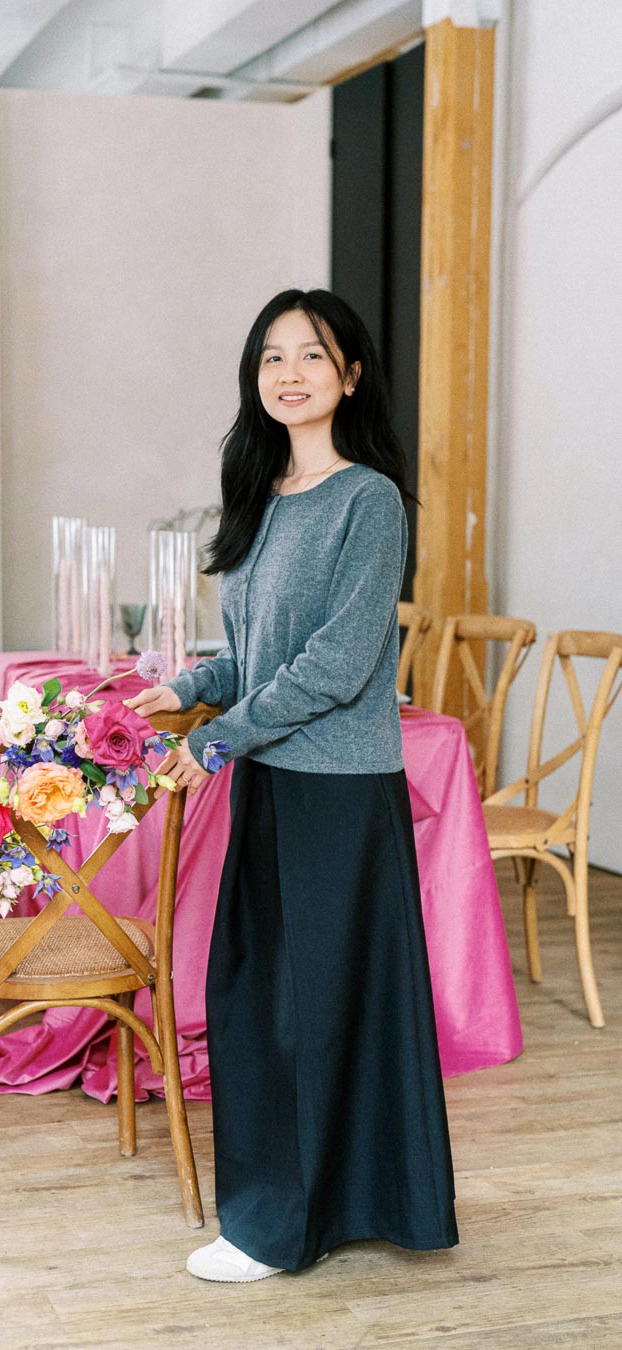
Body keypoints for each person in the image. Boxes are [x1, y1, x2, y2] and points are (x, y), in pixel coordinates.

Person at [127, 288, 458, 1283]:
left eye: (311, 355)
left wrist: (218, 739)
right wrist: (188, 688)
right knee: (265, 1002)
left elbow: (340, 665)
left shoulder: (369, 500)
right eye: (272, 357)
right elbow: (257, 652)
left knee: (308, 1011)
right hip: (275, 782)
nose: (289, 373)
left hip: (339, 796)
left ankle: (279, 1231)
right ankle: (326, 1208)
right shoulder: (266, 495)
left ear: (350, 375)